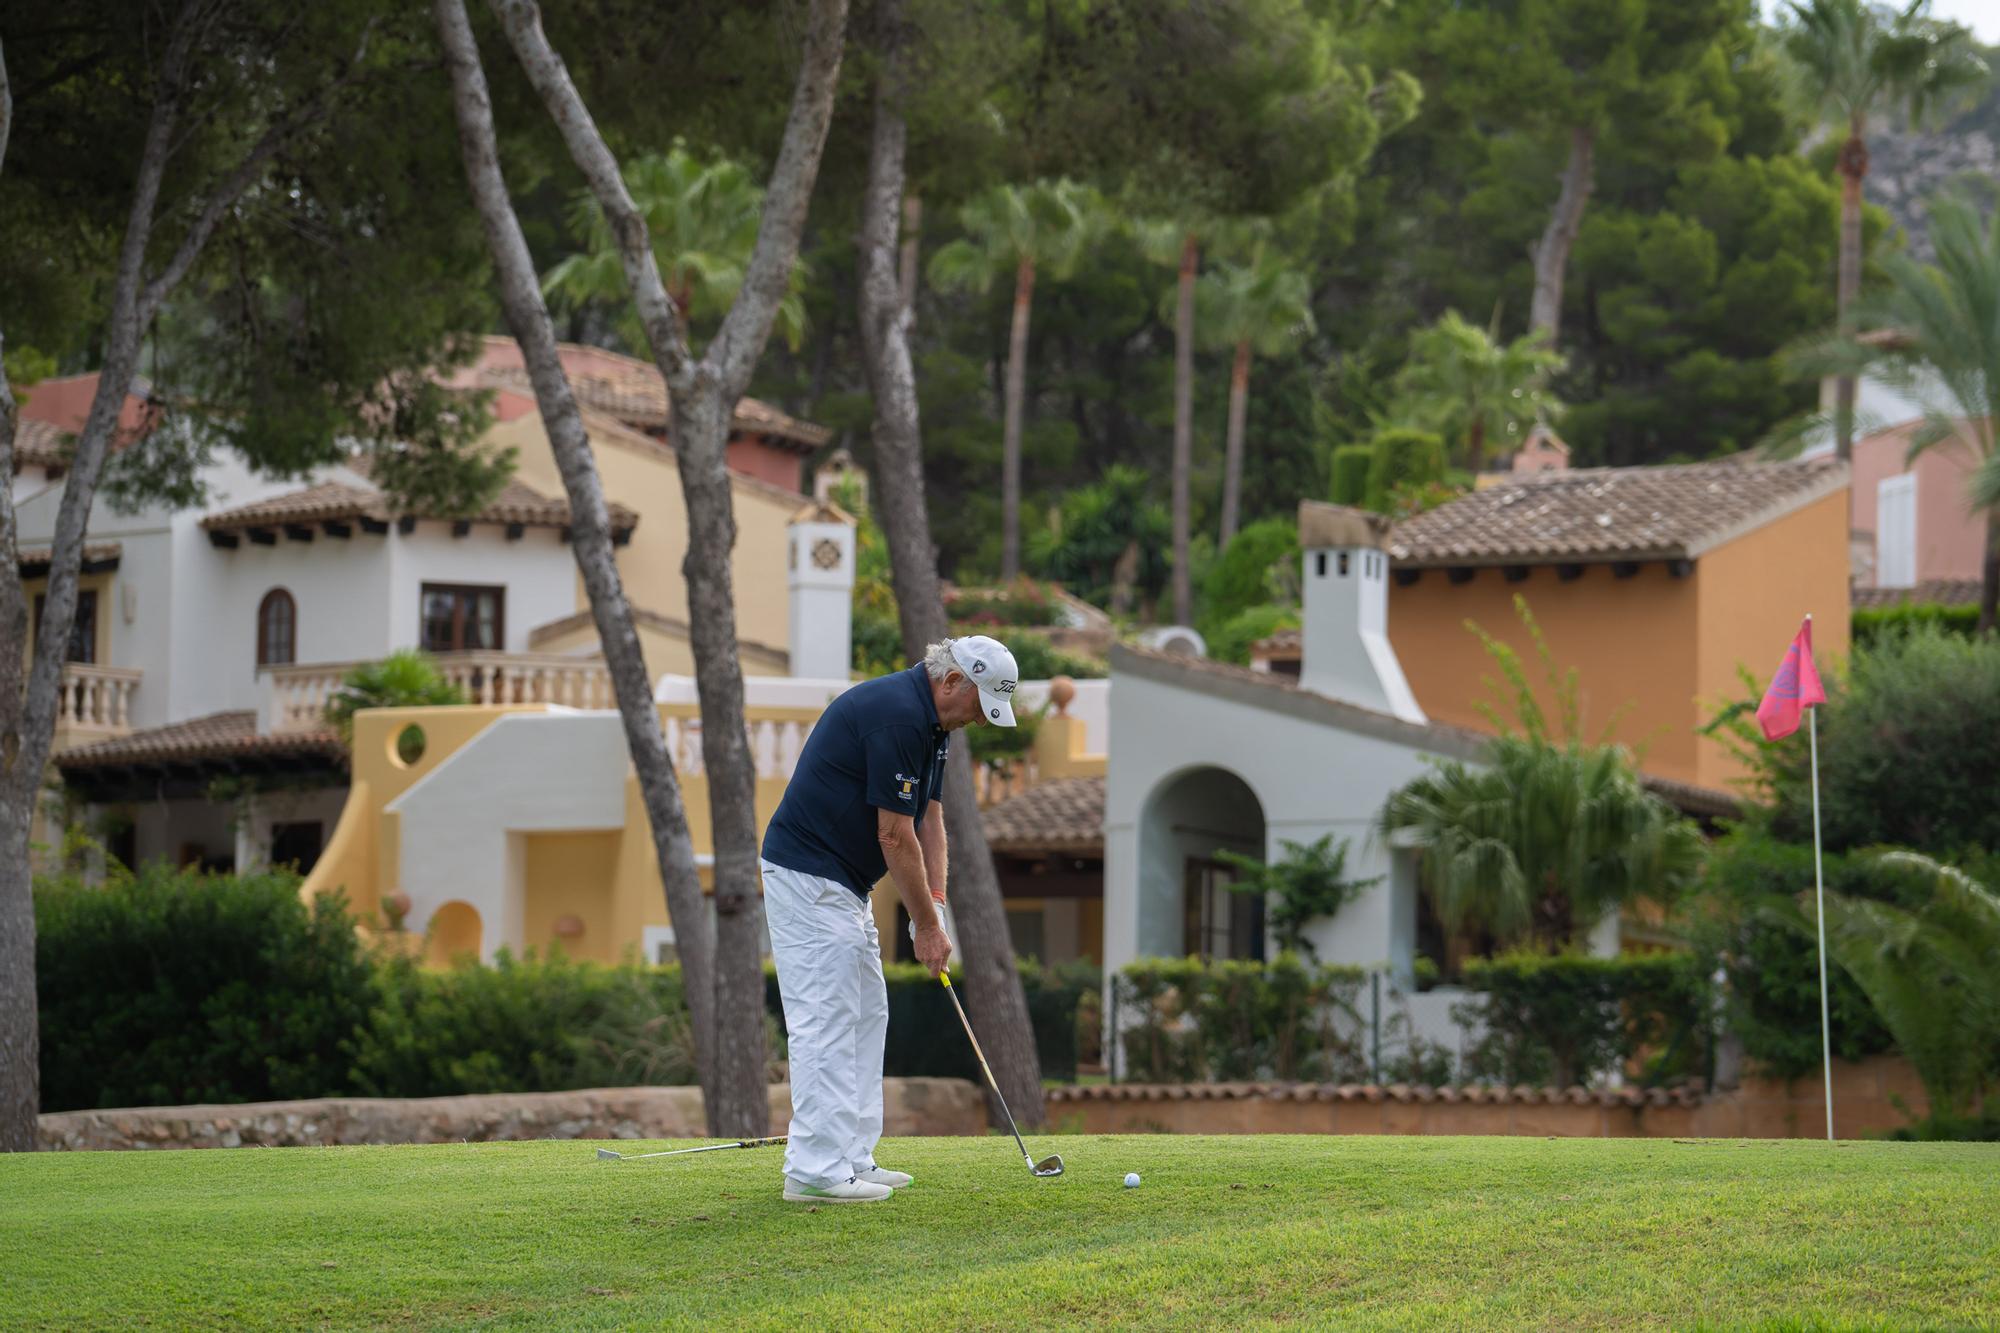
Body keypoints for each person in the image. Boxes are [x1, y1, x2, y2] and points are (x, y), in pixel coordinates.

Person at [759, 635, 1018, 1204]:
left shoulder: (933, 727)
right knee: (826, 1017)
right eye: (978, 705)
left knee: (865, 1012)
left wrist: (936, 907)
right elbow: (892, 834)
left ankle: (851, 1157)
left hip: (844, 884)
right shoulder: (898, 717)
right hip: (807, 876)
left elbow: (929, 819)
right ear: (952, 682)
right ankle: (813, 1172)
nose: (977, 719)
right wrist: (925, 929)